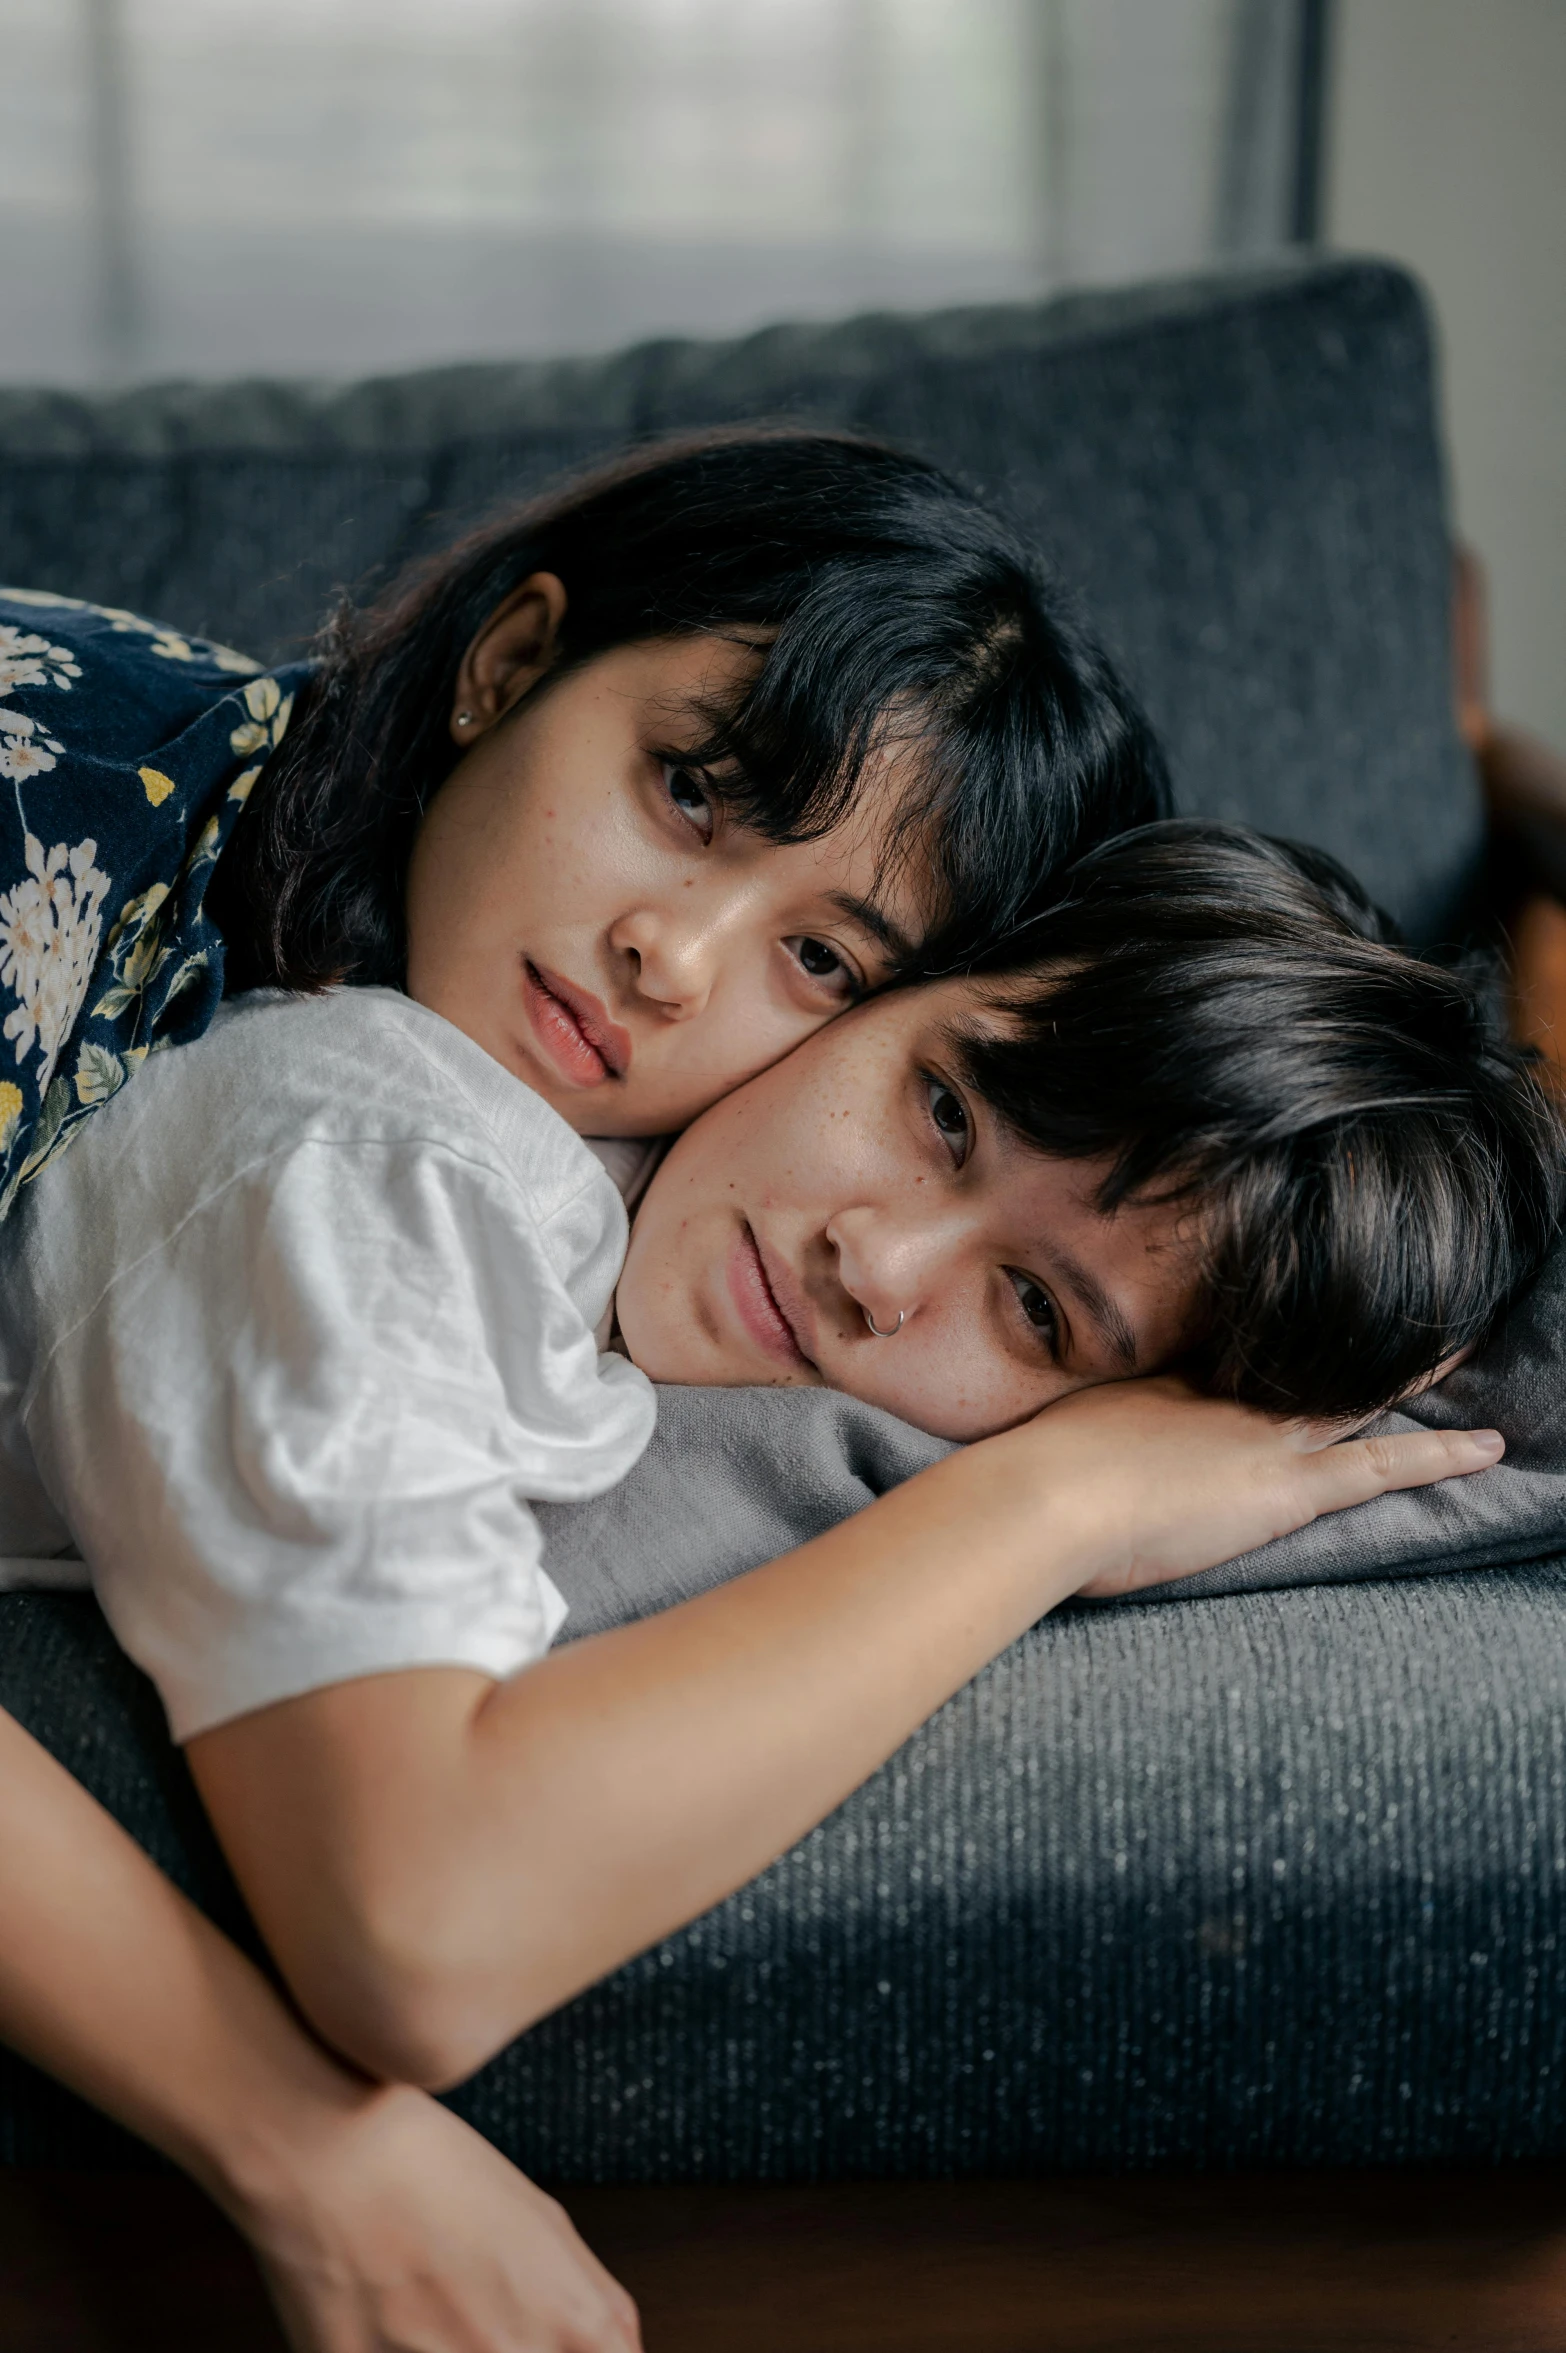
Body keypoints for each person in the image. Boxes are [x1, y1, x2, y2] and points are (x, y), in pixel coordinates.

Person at [1, 824, 1555, 2120]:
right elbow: (423, 1933)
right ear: (904, 981)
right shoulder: (390, 1147)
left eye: (1031, 1309)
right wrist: (1053, 1499)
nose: (869, 1258)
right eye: (940, 1108)